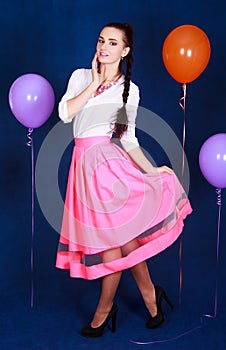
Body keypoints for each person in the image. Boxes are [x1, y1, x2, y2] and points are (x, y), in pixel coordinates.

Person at [56, 22, 192, 337]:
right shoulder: (80, 76)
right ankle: (151, 298)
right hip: (83, 170)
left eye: (113, 43)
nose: (104, 47)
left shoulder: (129, 90)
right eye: (101, 40)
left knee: (112, 246)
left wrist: (152, 170)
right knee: (125, 240)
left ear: (125, 50)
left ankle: (104, 311)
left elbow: (128, 141)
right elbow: (65, 113)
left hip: (109, 170)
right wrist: (94, 82)